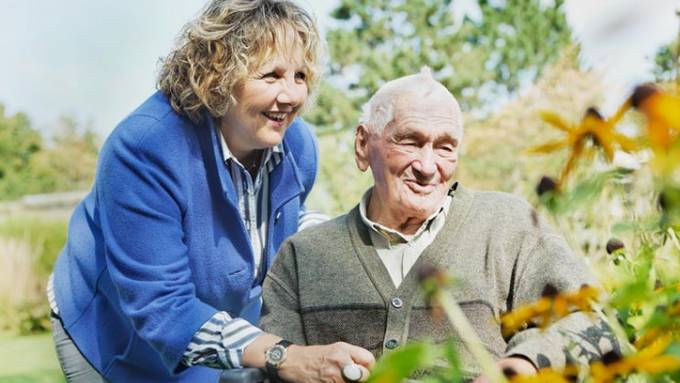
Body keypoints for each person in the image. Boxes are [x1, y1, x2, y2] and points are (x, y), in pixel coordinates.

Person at [47, 1, 373, 382]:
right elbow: (162, 307)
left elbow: (285, 219)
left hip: (212, 323)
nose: (291, 95)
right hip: (114, 329)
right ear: (218, 74)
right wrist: (285, 355)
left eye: (300, 75)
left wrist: (337, 251)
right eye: (271, 75)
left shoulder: (297, 146)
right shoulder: (145, 149)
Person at [260, 68, 619, 380]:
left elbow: (594, 324)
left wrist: (520, 366)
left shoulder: (508, 226)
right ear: (363, 145)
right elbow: (272, 365)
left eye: (445, 147)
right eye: (410, 142)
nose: (428, 166)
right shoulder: (303, 255)